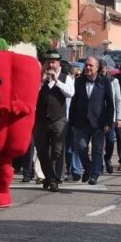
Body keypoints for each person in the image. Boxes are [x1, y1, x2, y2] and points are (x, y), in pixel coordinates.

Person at [34, 49, 75, 192]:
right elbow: (32, 94)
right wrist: (41, 80)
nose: (51, 65)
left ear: (58, 63)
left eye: (53, 62)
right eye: (48, 62)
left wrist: (56, 81)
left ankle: (53, 177)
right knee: (41, 150)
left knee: (57, 151)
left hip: (58, 119)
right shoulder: (40, 78)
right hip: (41, 119)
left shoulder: (65, 78)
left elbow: (70, 93)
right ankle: (51, 178)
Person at [69, 56, 114, 185]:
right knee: (80, 146)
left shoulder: (104, 81)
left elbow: (110, 103)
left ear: (97, 68)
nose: (88, 67)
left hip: (98, 121)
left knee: (97, 149)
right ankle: (88, 168)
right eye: (86, 65)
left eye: (91, 65)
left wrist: (108, 122)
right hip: (81, 121)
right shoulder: (79, 81)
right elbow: (73, 102)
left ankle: (94, 174)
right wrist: (71, 121)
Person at [101, 59, 121, 174]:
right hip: (98, 116)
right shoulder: (95, 80)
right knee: (98, 141)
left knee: (110, 140)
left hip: (111, 116)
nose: (102, 70)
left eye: (103, 68)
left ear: (106, 69)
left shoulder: (114, 81)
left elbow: (118, 100)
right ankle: (98, 163)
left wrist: (119, 117)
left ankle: (107, 158)